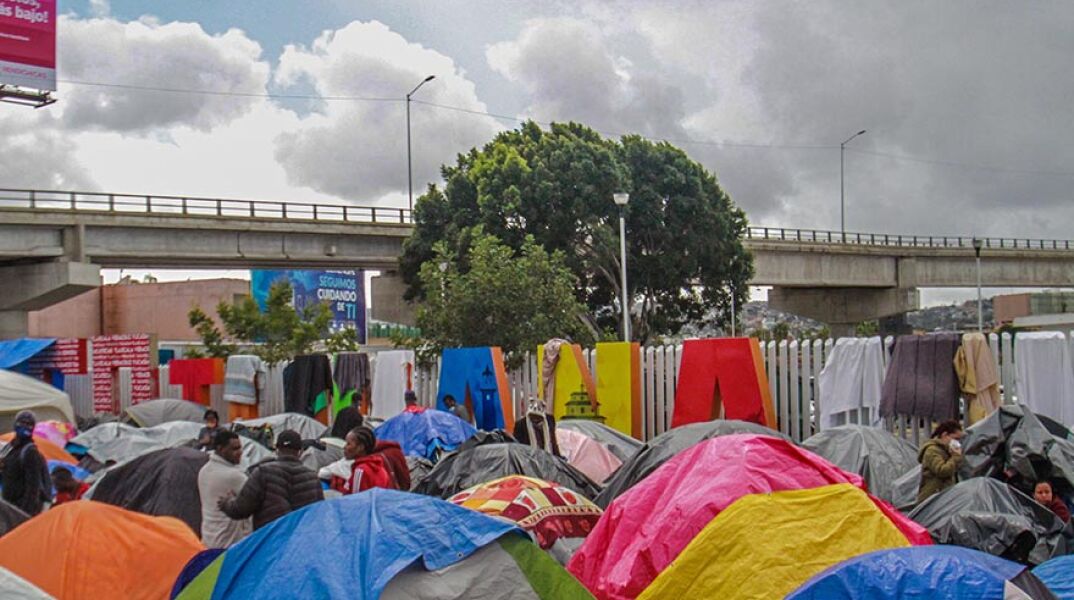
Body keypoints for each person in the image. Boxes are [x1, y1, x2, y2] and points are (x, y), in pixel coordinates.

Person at [219, 430, 323, 530]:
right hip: (300, 543)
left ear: (277, 449)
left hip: (271, 542)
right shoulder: (313, 478)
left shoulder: (263, 472)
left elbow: (241, 510)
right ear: (300, 451)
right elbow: (319, 516)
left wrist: (226, 503)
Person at [198, 430, 252, 548]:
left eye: (240, 448)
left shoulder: (204, 471)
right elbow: (254, 502)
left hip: (208, 540)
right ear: (221, 449)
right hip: (229, 544)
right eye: (234, 449)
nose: (240, 452)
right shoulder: (234, 476)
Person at [0, 411, 48, 515]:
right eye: (22, 423)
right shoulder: (10, 448)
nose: (24, 426)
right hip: (8, 506)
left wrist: (24, 512)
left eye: (28, 424)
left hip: (20, 510)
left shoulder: (30, 452)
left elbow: (33, 487)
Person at [917, 419, 964, 503]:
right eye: (955, 438)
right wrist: (955, 457)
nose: (957, 442)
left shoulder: (946, 450)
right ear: (945, 435)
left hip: (943, 496)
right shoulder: (932, 450)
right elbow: (942, 471)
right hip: (932, 498)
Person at [342, 427, 397, 494]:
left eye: (348, 444)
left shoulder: (360, 470)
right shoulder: (380, 468)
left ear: (361, 447)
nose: (344, 447)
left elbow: (356, 499)